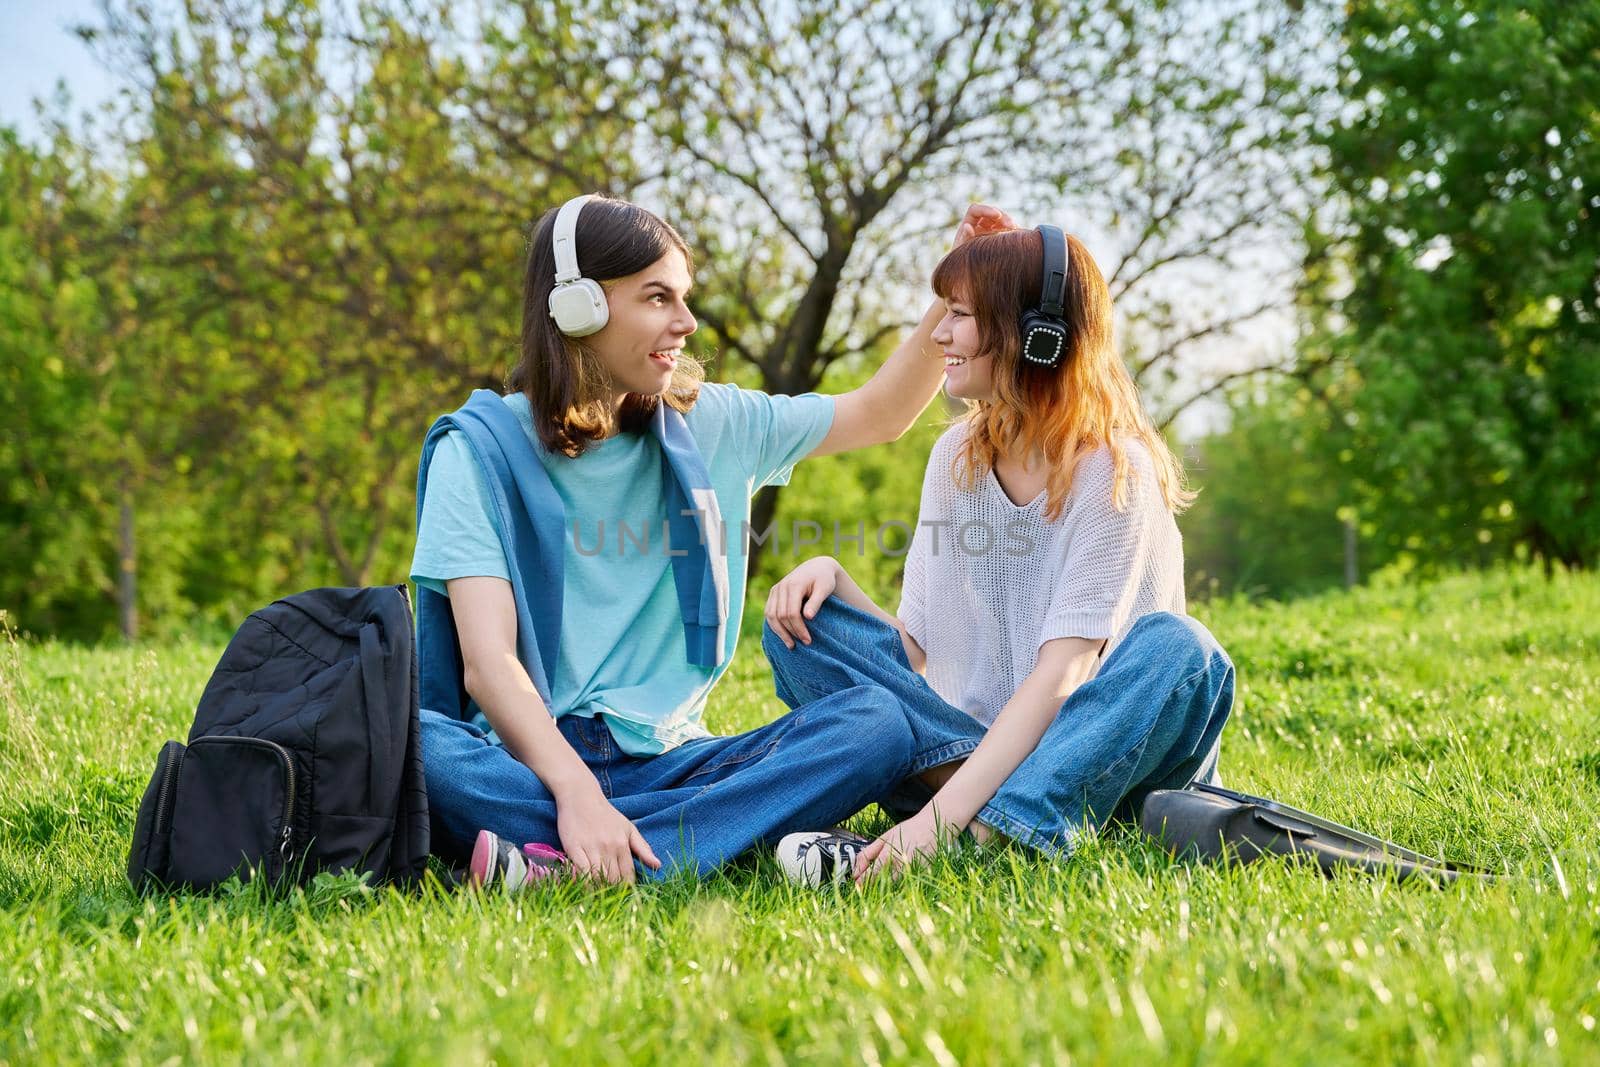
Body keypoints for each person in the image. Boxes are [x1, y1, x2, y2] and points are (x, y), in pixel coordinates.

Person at [411, 192, 1015, 886]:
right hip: (528, 759)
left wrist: (956, 292)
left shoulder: (715, 422)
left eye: (684, 297)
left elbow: (879, 412)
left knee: (876, 721)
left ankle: (579, 861)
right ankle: (693, 834)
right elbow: (488, 666)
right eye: (657, 297)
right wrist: (576, 793)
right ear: (579, 306)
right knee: (415, 746)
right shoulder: (478, 450)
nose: (686, 322)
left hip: (676, 757)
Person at [764, 223, 1235, 884]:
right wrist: (834, 581)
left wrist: (936, 822)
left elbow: (1063, 675)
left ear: (1036, 335)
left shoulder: (1114, 470)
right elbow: (915, 648)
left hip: (1104, 761)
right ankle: (992, 817)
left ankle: (975, 837)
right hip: (974, 755)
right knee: (804, 626)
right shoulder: (952, 458)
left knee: (1183, 649)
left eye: (958, 315)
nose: (938, 335)